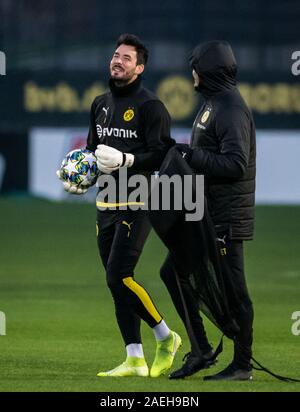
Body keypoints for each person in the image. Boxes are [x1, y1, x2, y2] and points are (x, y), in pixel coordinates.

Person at [58, 34, 181, 378]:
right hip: (105, 202)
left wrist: (127, 158)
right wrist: (79, 178)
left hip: (139, 200)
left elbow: (163, 154)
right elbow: (94, 154)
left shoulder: (151, 107)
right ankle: (134, 358)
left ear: (140, 68)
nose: (118, 61)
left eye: (127, 58)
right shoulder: (99, 103)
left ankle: (166, 336)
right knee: (114, 284)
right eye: (115, 55)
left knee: (119, 275)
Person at [160, 40, 256, 381]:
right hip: (206, 215)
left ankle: (243, 365)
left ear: (208, 71)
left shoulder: (230, 107)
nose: (192, 73)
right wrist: (186, 154)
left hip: (226, 218)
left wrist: (191, 156)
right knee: (173, 272)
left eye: (196, 67)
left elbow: (235, 163)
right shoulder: (213, 103)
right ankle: (201, 349)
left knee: (235, 291)